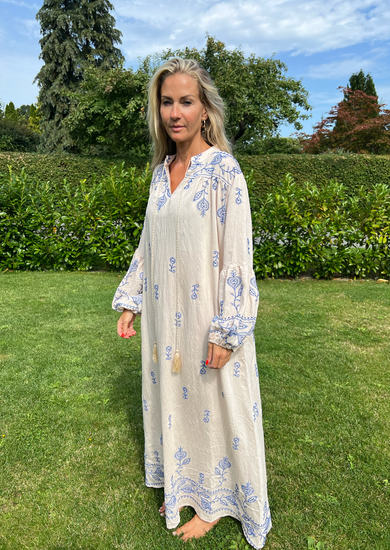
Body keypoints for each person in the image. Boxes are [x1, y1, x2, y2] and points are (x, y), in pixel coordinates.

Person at [112, 57, 271, 549]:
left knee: (213, 403)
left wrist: (228, 328)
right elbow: (149, 243)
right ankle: (184, 483)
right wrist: (132, 300)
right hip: (166, 317)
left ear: (205, 110)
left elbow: (237, 256)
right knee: (176, 399)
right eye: (166, 102)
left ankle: (213, 502)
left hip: (208, 318)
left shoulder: (223, 170)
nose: (175, 113)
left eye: (186, 101)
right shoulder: (162, 173)